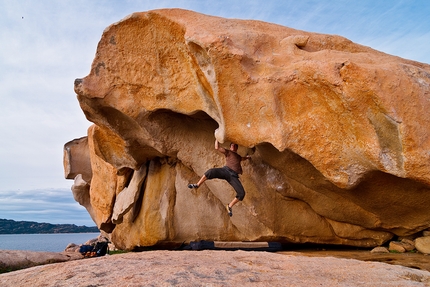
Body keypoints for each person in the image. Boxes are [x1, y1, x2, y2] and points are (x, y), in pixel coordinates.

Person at [188, 139, 251, 217]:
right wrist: (217, 138)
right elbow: (217, 147)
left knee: (241, 193)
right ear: (230, 147)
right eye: (232, 145)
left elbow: (242, 158)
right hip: (225, 171)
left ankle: (230, 206)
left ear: (236, 148)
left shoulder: (238, 156)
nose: (233, 146)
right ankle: (197, 185)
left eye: (235, 145)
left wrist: (247, 157)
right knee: (211, 171)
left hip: (233, 176)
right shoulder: (228, 152)